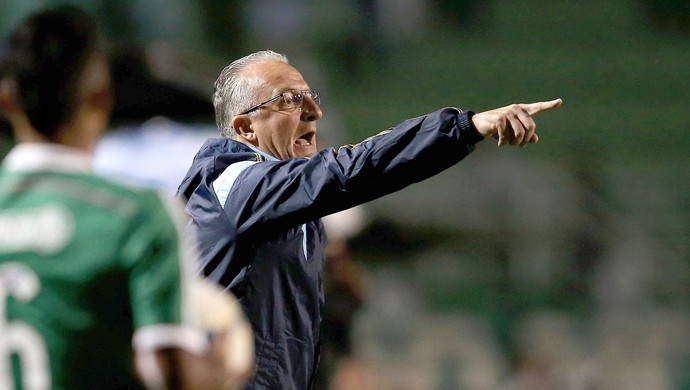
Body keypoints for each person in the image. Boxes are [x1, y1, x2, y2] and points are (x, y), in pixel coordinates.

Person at [176, 49, 562, 389]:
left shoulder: (286, 206)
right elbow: (349, 171)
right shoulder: (233, 185)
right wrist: (464, 127)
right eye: (290, 100)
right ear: (245, 128)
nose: (314, 110)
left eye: (312, 97)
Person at [0, 7, 254, 389]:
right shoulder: (135, 215)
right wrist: (224, 366)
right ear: (102, 98)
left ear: (7, 100)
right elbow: (174, 378)